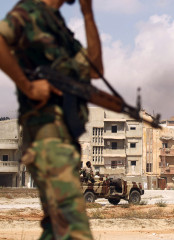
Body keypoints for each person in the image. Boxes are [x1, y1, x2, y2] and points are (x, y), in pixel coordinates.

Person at [0, 0, 103, 239]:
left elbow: (96, 69)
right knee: (74, 227)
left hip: (63, 138)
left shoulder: (60, 30)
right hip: (46, 135)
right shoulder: (29, 12)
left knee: (56, 228)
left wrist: (88, 14)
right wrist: (27, 86)